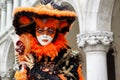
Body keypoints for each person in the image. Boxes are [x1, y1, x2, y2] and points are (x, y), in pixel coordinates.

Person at [13, 1, 84, 80]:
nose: (45, 35)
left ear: (56, 32)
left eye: (50, 31)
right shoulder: (30, 55)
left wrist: (35, 69)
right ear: (34, 31)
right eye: (40, 30)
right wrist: (23, 69)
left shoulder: (68, 56)